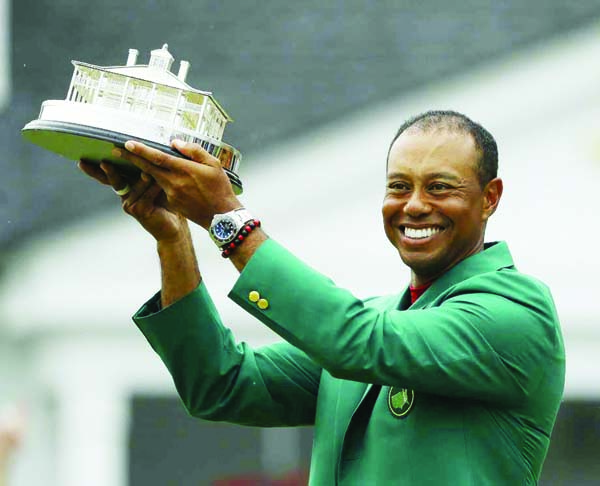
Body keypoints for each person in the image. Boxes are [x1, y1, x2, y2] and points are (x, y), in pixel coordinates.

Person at [79, 110, 565, 485]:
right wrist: (173, 238)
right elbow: (221, 382)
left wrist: (229, 221)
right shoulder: (378, 322)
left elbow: (357, 341)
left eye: (440, 187)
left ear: (490, 197)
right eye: (399, 186)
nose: (415, 205)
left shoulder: (515, 312)